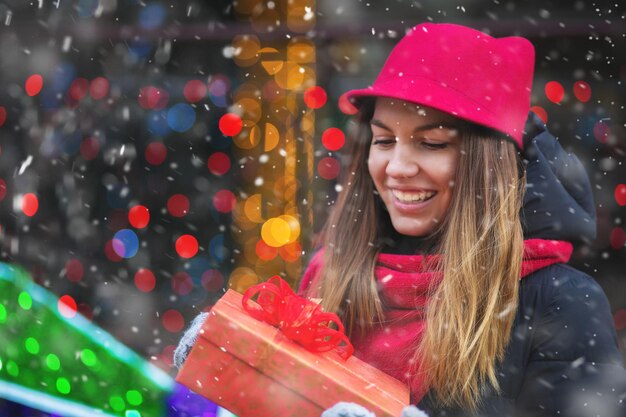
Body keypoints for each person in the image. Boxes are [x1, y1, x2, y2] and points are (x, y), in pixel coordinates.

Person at [175, 23, 626, 416]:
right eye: (384, 140)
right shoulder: (332, 272)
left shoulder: (560, 302)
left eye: (432, 144)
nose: (397, 168)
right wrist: (233, 376)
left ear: (489, 164)